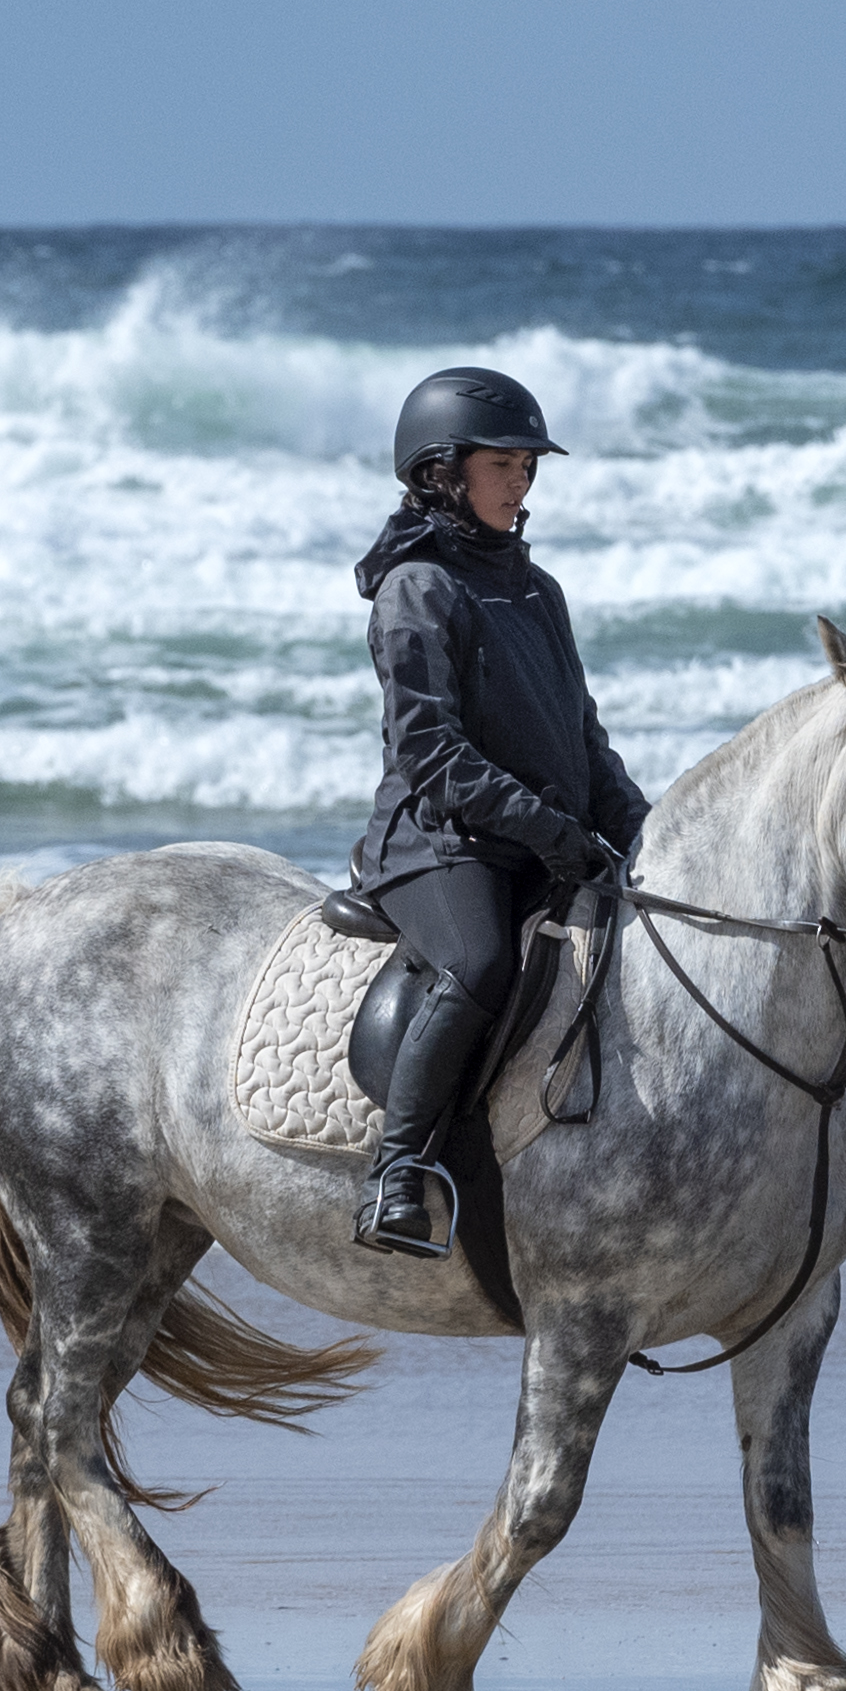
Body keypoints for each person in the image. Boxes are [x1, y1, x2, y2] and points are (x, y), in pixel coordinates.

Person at [345, 366, 650, 1259]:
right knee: (478, 963)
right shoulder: (418, 590)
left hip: (532, 836)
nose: (522, 480)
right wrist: (551, 832)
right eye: (503, 463)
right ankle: (395, 1173)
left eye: (529, 466)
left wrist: (640, 831)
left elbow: (582, 738)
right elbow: (429, 753)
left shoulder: (535, 588)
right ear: (443, 472)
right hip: (438, 843)